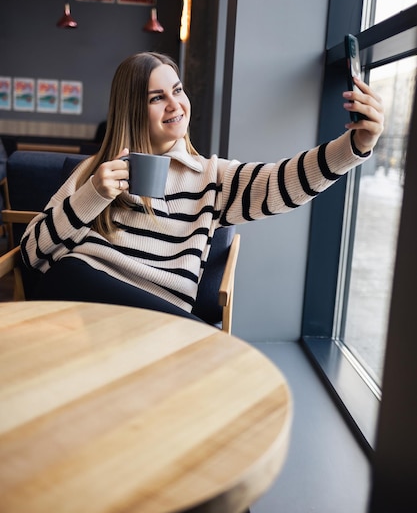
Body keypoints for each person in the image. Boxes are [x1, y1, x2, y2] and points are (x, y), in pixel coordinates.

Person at [20, 51, 384, 322]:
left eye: (177, 90)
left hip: (156, 323)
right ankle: (199, 339)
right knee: (73, 271)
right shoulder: (93, 172)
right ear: (132, 109)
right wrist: (93, 195)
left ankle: (195, 338)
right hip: (81, 307)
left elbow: (283, 182)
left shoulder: (211, 178)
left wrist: (355, 146)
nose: (175, 104)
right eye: (156, 97)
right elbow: (31, 253)